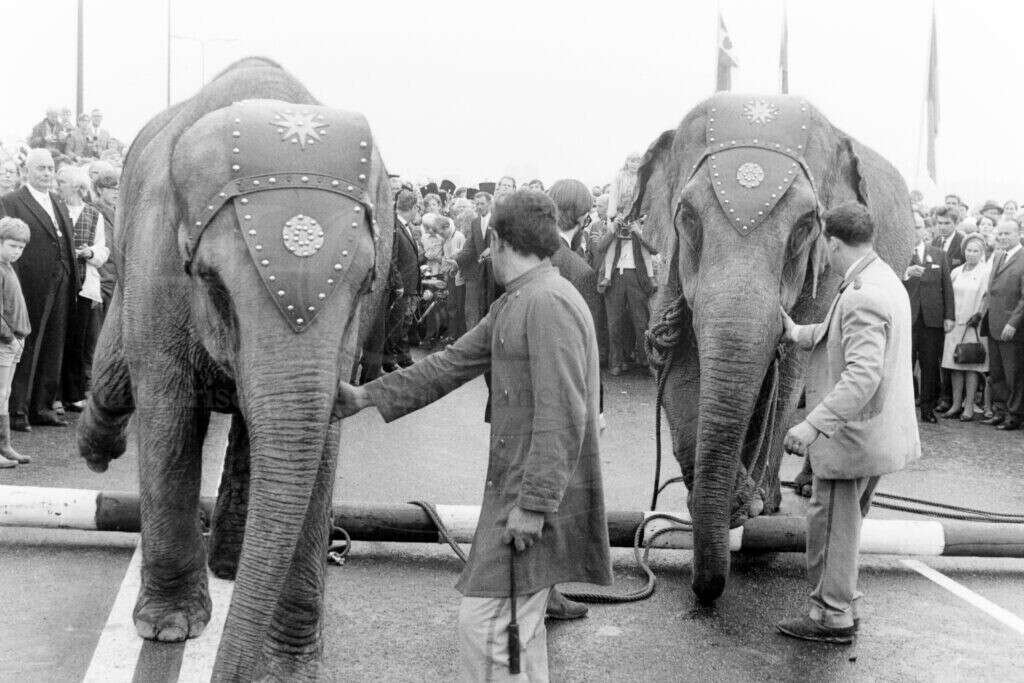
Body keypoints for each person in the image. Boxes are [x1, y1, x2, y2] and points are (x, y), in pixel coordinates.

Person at [334, 189, 611, 680]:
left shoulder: (547, 302)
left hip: (532, 503)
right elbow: (448, 364)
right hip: (522, 495)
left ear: (499, 240)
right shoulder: (522, 299)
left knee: (488, 628)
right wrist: (364, 397)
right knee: (517, 635)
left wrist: (534, 506)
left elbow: (563, 414)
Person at [777, 202, 920, 644]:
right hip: (873, 433)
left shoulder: (861, 294)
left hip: (851, 438)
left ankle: (831, 615)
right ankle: (842, 602)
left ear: (833, 243)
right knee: (846, 526)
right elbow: (840, 334)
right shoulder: (881, 278)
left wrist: (811, 425)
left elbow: (862, 375)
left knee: (831, 526)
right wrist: (796, 331)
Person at [0, 149, 78, 430]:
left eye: (50, 168)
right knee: (27, 344)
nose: (47, 173)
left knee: (53, 345)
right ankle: (17, 410)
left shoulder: (57, 200)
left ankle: (42, 407)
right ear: (27, 171)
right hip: (30, 285)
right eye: (41, 168)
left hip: (61, 281)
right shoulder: (11, 201)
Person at [57, 166, 109, 409]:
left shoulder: (93, 215)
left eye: (63, 183)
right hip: (60, 283)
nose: (59, 187)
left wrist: (90, 253)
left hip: (84, 284)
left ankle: (74, 393)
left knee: (78, 340)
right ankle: (55, 394)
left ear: (77, 187)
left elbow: (102, 249)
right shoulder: (57, 209)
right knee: (57, 339)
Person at [903, 219, 954, 423]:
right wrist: (906, 273)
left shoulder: (939, 254)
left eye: (917, 227)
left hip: (932, 320)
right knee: (905, 364)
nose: (914, 231)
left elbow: (947, 286)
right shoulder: (900, 254)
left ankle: (927, 409)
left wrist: (949, 316)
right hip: (908, 317)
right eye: (911, 227)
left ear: (925, 230)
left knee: (930, 366)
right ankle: (904, 409)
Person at [978, 220, 1024, 430]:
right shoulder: (998, 255)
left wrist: (1013, 323)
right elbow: (992, 290)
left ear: (1018, 233)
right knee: (997, 372)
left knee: (1013, 373)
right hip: (993, 323)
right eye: (1000, 234)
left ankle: (1015, 415)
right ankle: (1000, 410)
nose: (1003, 237)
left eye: (1007, 233)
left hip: (1012, 328)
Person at [940, 234, 990, 420]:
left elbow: (987, 297)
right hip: (955, 324)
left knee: (971, 365)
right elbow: (948, 295)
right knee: (955, 365)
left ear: (982, 253)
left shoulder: (985, 272)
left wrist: (979, 315)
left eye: (976, 251)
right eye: (969, 250)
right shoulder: (956, 272)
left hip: (973, 325)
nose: (971, 254)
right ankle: (955, 404)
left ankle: (968, 406)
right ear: (964, 251)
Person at [0, 218, 33, 467]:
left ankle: (4, 445)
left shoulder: (8, 267)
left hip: (15, 340)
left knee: (5, 393)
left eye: (21, 247)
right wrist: (9, 337)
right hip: (5, 341)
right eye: (12, 246)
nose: (17, 251)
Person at [383, 188, 423, 371]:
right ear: (413, 207)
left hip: (408, 285)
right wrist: (398, 284)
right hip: (400, 287)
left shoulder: (404, 226)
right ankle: (388, 361)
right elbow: (392, 260)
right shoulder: (396, 227)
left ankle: (402, 357)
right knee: (395, 325)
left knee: (404, 324)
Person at [454, 191, 493, 330]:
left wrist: (491, 249)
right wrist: (456, 261)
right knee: (476, 307)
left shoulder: (498, 220)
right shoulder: (475, 222)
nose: (479, 206)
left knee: (491, 306)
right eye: (477, 204)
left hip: (494, 271)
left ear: (490, 203)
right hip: (478, 271)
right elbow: (470, 246)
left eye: (482, 203)